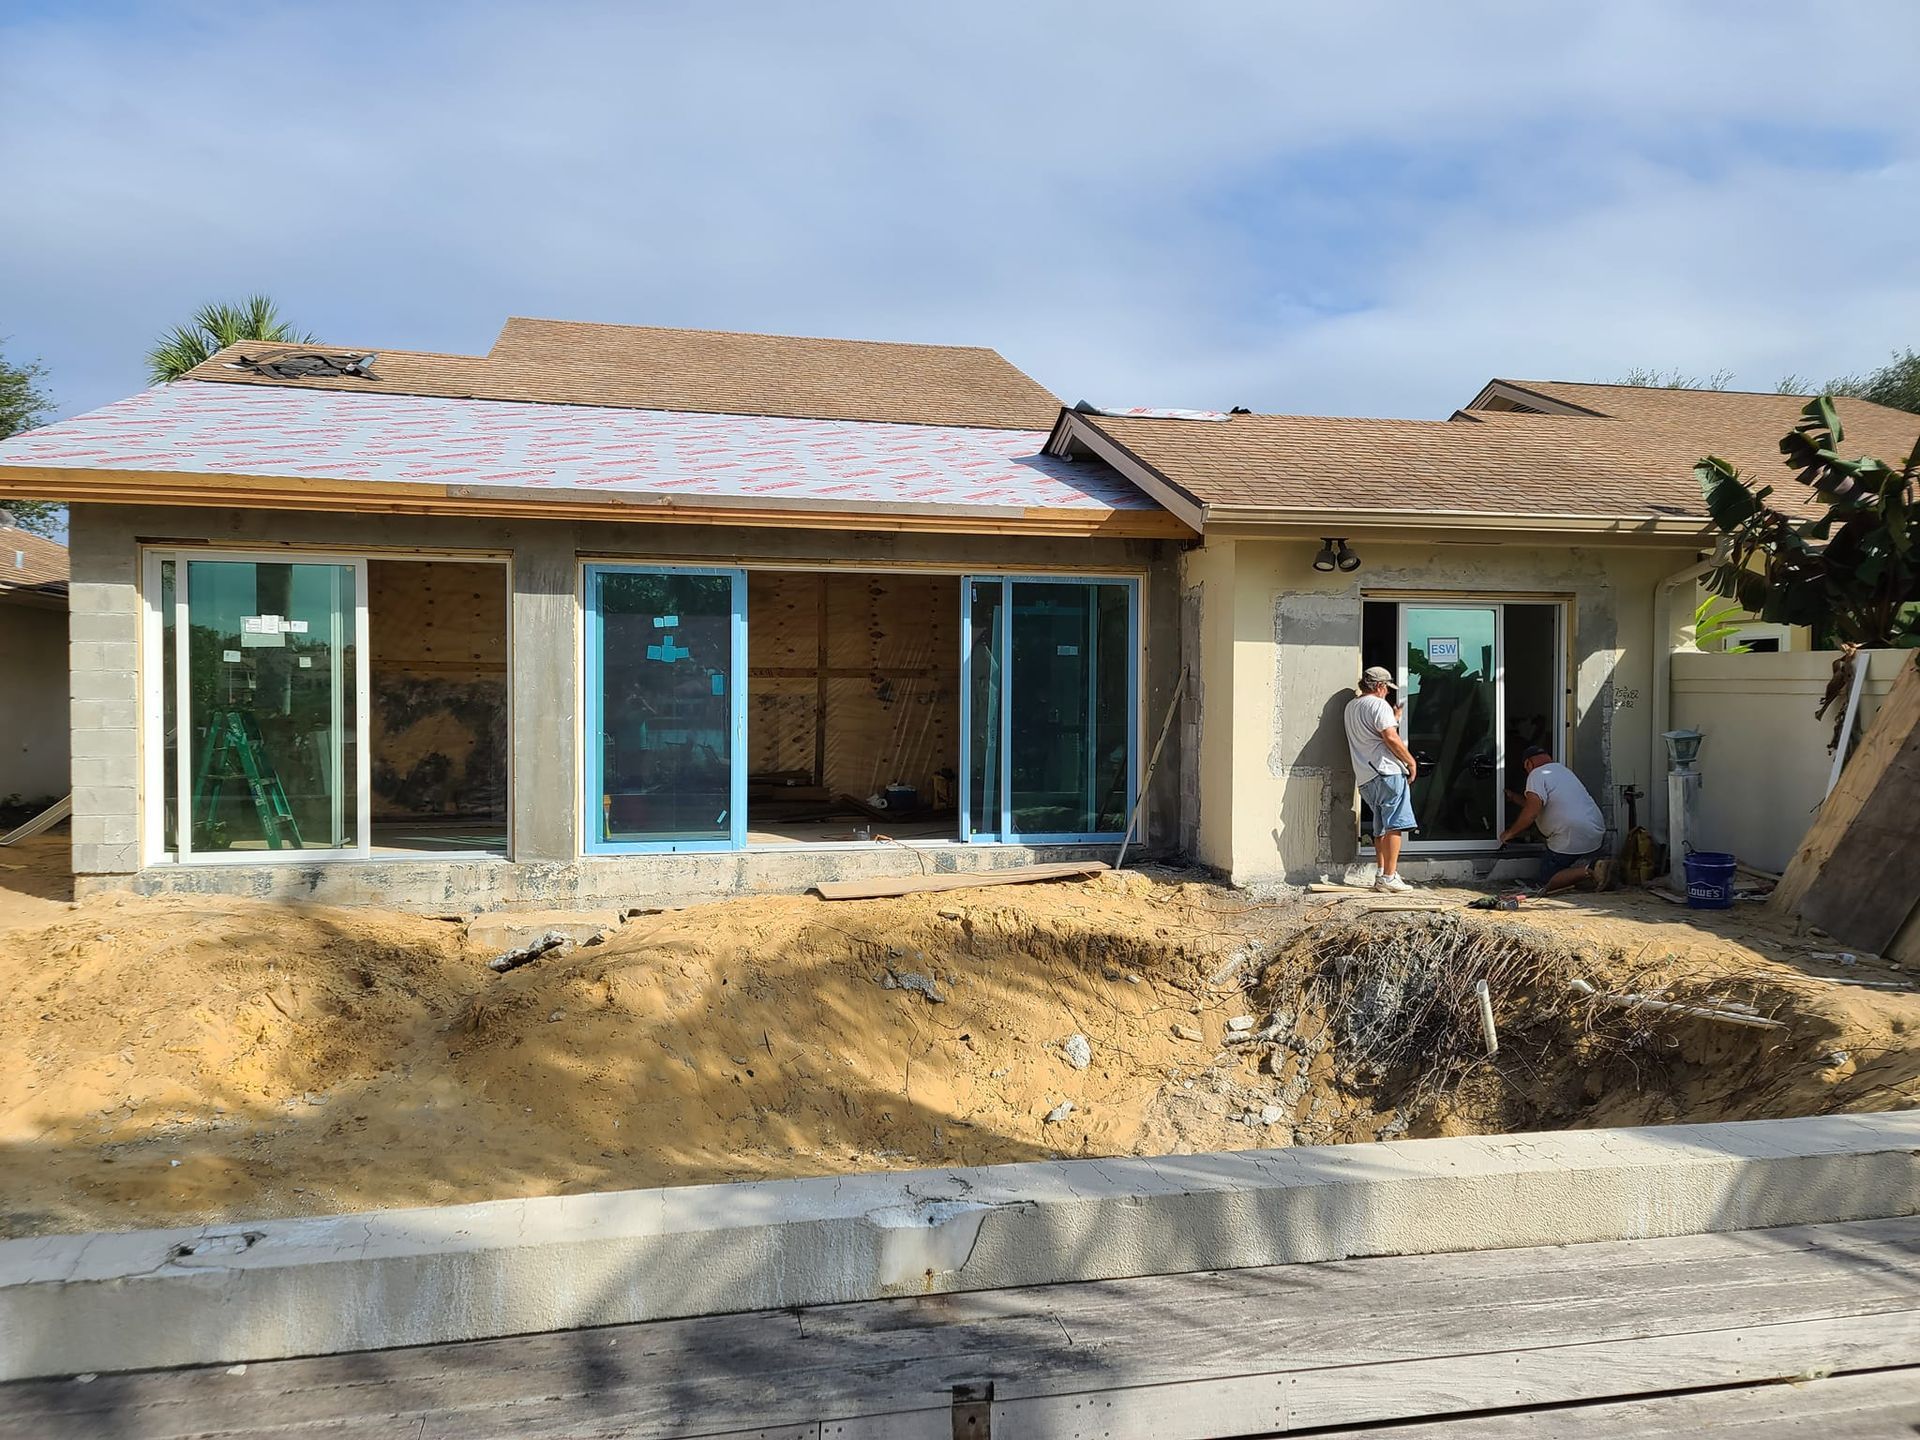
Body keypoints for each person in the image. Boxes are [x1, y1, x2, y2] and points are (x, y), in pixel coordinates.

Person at [1499, 745, 1614, 894]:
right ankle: (1593, 870)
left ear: (1528, 763)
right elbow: (1540, 804)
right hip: (1594, 832)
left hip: (1570, 835)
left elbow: (1531, 813)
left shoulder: (1536, 774)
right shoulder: (1563, 771)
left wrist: (1510, 833)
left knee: (1547, 881)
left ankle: (1592, 869)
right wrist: (1514, 798)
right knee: (1567, 867)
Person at [1345, 665, 1418, 893]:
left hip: (1366, 776)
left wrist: (1393, 719)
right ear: (1379, 686)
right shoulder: (1379, 705)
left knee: (1380, 828)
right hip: (1386, 771)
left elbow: (1371, 733)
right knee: (1395, 825)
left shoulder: (1351, 707)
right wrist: (1411, 762)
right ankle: (1390, 876)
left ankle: (1380, 874)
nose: (1387, 692)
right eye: (1386, 688)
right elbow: (1390, 737)